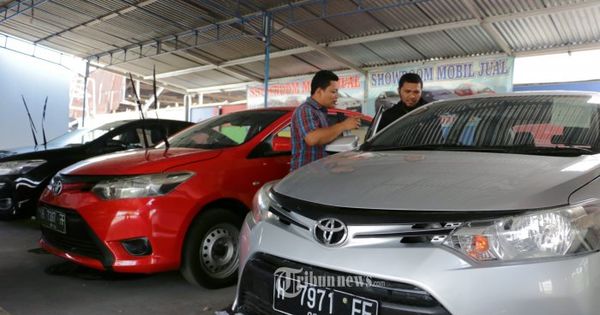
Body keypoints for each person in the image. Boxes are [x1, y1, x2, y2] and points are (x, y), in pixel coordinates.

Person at [290, 70, 361, 171]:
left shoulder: (320, 112)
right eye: (333, 91)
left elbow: (324, 141)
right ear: (319, 91)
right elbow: (312, 138)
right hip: (306, 175)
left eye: (337, 91)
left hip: (317, 171)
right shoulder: (305, 110)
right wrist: (343, 126)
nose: (336, 96)